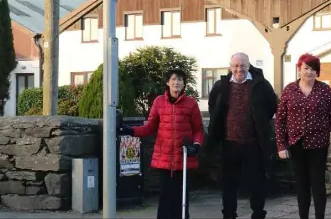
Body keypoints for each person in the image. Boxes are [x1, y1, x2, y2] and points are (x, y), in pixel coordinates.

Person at [119, 69, 204, 219]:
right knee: (165, 198)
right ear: (167, 82)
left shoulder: (191, 103)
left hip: (183, 158)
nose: (176, 82)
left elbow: (198, 129)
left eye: (180, 80)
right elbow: (150, 127)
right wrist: (130, 131)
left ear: (184, 84)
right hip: (164, 159)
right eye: (173, 79)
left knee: (181, 199)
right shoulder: (159, 101)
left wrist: (196, 145)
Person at [207, 52, 278, 219]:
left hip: (254, 143)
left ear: (249, 65)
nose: (240, 69)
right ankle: (229, 214)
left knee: (257, 182)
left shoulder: (261, 84)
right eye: (236, 66)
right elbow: (213, 106)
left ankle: (258, 214)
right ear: (230, 67)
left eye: (243, 65)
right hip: (229, 143)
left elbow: (272, 105)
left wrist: (259, 121)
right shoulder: (221, 85)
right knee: (229, 183)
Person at [275, 53, 331, 219]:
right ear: (299, 69)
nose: (309, 72)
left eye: (313, 69)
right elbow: (280, 120)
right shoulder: (289, 90)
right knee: (302, 186)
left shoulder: (324, 90)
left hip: (318, 145)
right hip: (296, 144)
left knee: (318, 185)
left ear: (317, 72)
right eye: (306, 68)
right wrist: (281, 145)